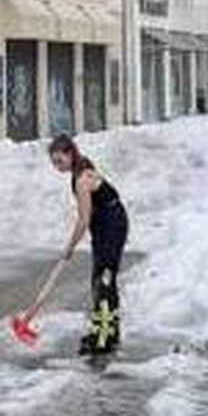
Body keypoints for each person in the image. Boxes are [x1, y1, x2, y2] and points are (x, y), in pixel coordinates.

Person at [48, 135, 129, 356]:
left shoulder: (82, 178)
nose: (57, 167)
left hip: (111, 224)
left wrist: (70, 247)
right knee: (100, 279)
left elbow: (83, 220)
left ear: (71, 154)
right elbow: (89, 216)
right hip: (105, 223)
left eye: (60, 161)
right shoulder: (79, 171)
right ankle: (106, 332)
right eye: (54, 162)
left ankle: (104, 339)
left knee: (104, 280)